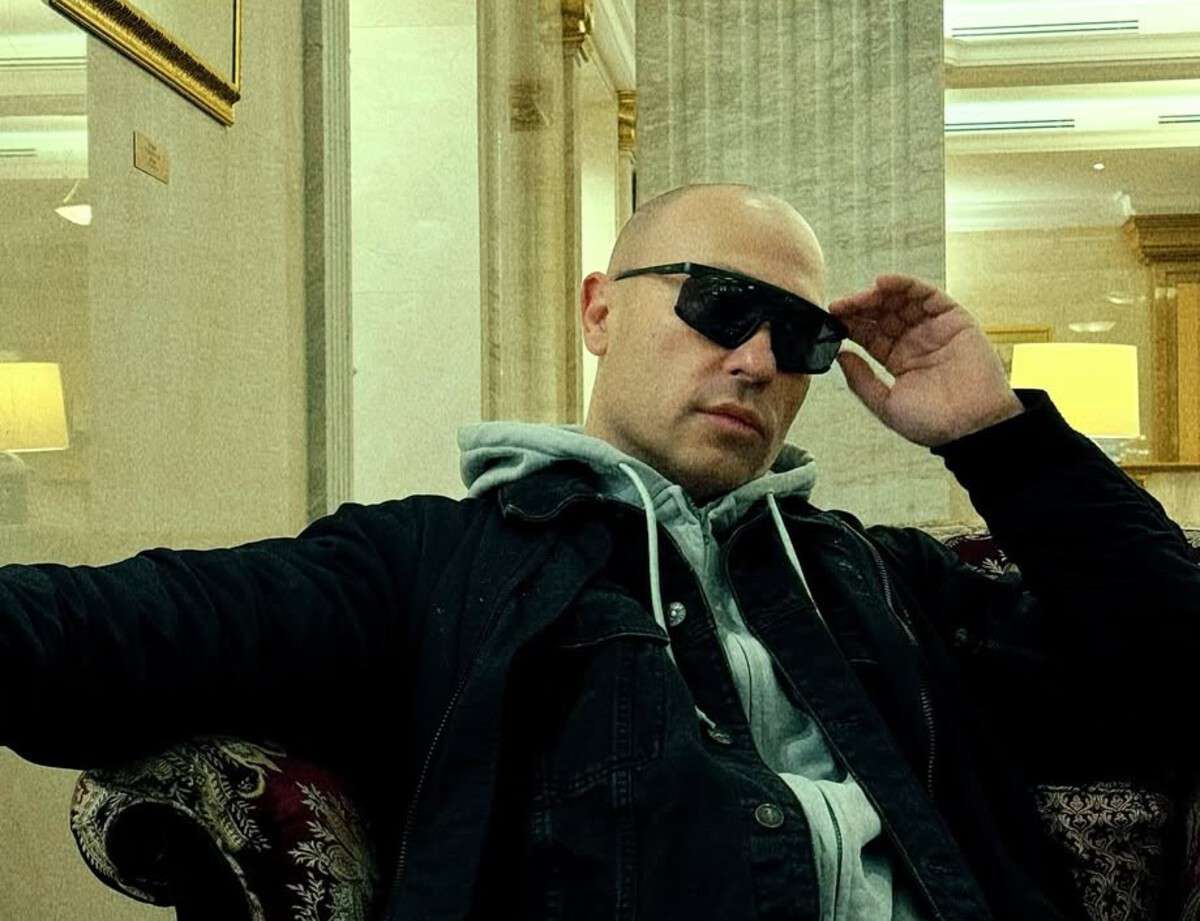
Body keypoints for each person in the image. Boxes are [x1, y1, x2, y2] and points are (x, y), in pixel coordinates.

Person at [1, 182, 1196, 921]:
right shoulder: (437, 565)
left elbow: (1177, 674)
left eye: (799, 336)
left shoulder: (883, 580)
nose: (757, 360)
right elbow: (121, 630)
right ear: (598, 309)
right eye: (717, 304)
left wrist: (997, 438)